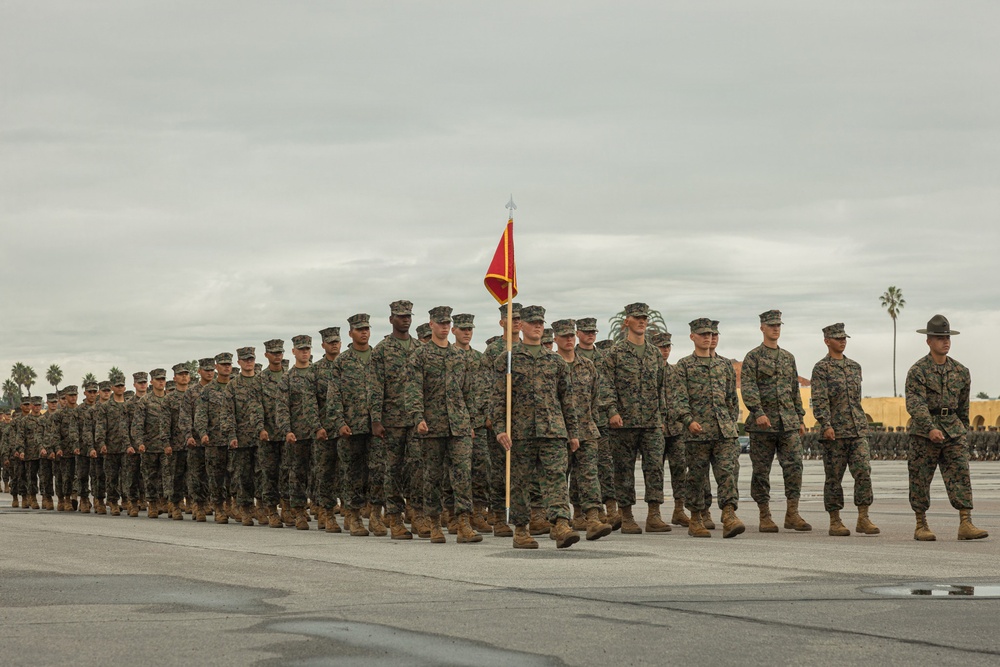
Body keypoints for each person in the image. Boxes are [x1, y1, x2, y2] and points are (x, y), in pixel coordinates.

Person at [492, 305, 582, 549]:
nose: (538, 327)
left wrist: (573, 433)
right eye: (533, 323)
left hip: (552, 431)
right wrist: (500, 429)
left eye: (541, 323)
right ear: (521, 326)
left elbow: (567, 399)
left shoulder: (555, 361)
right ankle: (521, 529)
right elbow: (498, 398)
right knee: (519, 482)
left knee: (556, 479)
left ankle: (561, 524)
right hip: (520, 432)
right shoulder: (508, 359)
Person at [905, 315, 987, 541]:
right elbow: (915, 403)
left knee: (961, 474)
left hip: (953, 430)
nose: (946, 341)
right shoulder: (918, 371)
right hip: (924, 432)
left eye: (947, 337)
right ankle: (921, 525)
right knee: (920, 478)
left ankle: (966, 523)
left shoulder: (961, 371)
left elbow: (964, 406)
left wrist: (963, 430)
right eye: (940, 338)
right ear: (929, 341)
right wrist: (930, 428)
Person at [406, 306, 481, 543]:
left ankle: (463, 524)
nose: (445, 327)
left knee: (462, 475)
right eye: (440, 323)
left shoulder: (459, 356)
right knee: (432, 476)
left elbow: (469, 391)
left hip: (458, 424)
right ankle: (435, 523)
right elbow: (413, 389)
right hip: (432, 425)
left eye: (447, 323)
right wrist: (418, 418)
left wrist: (469, 420)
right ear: (431, 325)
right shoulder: (420, 355)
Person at [602, 303, 670, 534]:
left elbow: (661, 387)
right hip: (624, 423)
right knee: (623, 469)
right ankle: (627, 515)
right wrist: (612, 411)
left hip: (651, 422)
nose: (642, 321)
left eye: (644, 318)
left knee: (655, 468)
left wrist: (661, 415)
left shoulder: (654, 354)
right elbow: (606, 385)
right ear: (626, 322)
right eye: (637, 318)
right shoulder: (615, 353)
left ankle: (654, 515)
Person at [740, 310, 810, 533]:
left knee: (794, 467)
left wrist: (799, 417)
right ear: (762, 327)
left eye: (778, 325)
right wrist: (758, 411)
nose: (775, 328)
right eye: (771, 325)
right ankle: (765, 515)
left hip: (787, 423)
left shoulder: (788, 358)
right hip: (764, 425)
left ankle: (792, 513)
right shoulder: (754, 357)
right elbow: (749, 387)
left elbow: (794, 389)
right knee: (761, 470)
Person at [674, 318, 745, 538]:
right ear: (692, 336)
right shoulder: (684, 365)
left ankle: (729, 514)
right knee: (696, 477)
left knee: (727, 474)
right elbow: (678, 399)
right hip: (698, 432)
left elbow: (732, 399)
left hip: (724, 432)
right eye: (703, 334)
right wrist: (688, 420)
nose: (708, 337)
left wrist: (730, 423)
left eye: (711, 334)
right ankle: (696, 518)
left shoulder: (724, 365)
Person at [809, 323, 879, 537]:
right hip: (835, 433)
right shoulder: (821, 368)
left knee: (864, 472)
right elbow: (819, 400)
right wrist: (826, 424)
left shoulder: (855, 367)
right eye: (838, 338)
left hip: (857, 430)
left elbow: (856, 400)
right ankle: (835, 519)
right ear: (827, 341)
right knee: (833, 478)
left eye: (844, 337)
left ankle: (863, 517)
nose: (842, 341)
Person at [553, 318, 613, 541]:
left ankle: (593, 519)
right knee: (558, 478)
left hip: (586, 429)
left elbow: (595, 397)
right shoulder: (551, 364)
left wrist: (591, 423)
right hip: (558, 432)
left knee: (589, 476)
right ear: (556, 338)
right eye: (565, 336)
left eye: (571, 336)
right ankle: (558, 521)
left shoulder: (587, 365)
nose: (569, 340)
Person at [371, 300, 419, 539]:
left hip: (416, 419)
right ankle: (394, 518)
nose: (406, 319)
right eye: (400, 316)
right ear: (391, 319)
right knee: (393, 469)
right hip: (391, 420)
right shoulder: (382, 350)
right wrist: (376, 420)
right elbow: (375, 387)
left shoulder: (419, 348)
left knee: (417, 467)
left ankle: (417, 514)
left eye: (408, 315)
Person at [327, 316, 379, 536]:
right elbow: (334, 395)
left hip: (377, 427)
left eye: (366, 328)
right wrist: (339, 422)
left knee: (378, 473)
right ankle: (354, 516)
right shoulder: (342, 361)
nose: (364, 333)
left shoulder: (378, 357)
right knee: (352, 474)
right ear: (350, 334)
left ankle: (376, 516)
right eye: (359, 329)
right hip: (351, 427)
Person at [650, 330, 689, 527]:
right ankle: (654, 513)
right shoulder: (649, 371)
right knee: (655, 470)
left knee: (680, 468)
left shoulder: (675, 372)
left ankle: (679, 509)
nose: (665, 350)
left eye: (667, 346)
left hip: (676, 429)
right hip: (655, 428)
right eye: (661, 347)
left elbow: (682, 398)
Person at [195, 354, 239, 523]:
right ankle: (219, 507)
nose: (227, 367)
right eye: (223, 364)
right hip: (214, 440)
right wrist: (203, 433)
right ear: (216, 367)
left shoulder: (236, 386)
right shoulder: (207, 390)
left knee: (235, 475)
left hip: (234, 440)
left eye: (229, 364)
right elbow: (201, 415)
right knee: (215, 476)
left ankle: (231, 505)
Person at [229, 347, 267, 526]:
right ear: (239, 363)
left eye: (251, 359)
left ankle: (260, 506)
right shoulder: (233, 385)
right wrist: (231, 435)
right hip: (242, 437)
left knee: (262, 473)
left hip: (262, 436)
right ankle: (245, 507)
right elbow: (227, 413)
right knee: (243, 474)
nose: (249, 362)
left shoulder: (262, 382)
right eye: (245, 360)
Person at [131, 369, 172, 518]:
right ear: (152, 382)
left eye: (163, 379)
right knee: (150, 476)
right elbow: (137, 425)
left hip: (167, 446)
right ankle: (152, 503)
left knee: (167, 476)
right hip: (150, 446)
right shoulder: (145, 401)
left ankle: (167, 502)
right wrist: (139, 442)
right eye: (158, 379)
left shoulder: (170, 399)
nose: (161, 382)